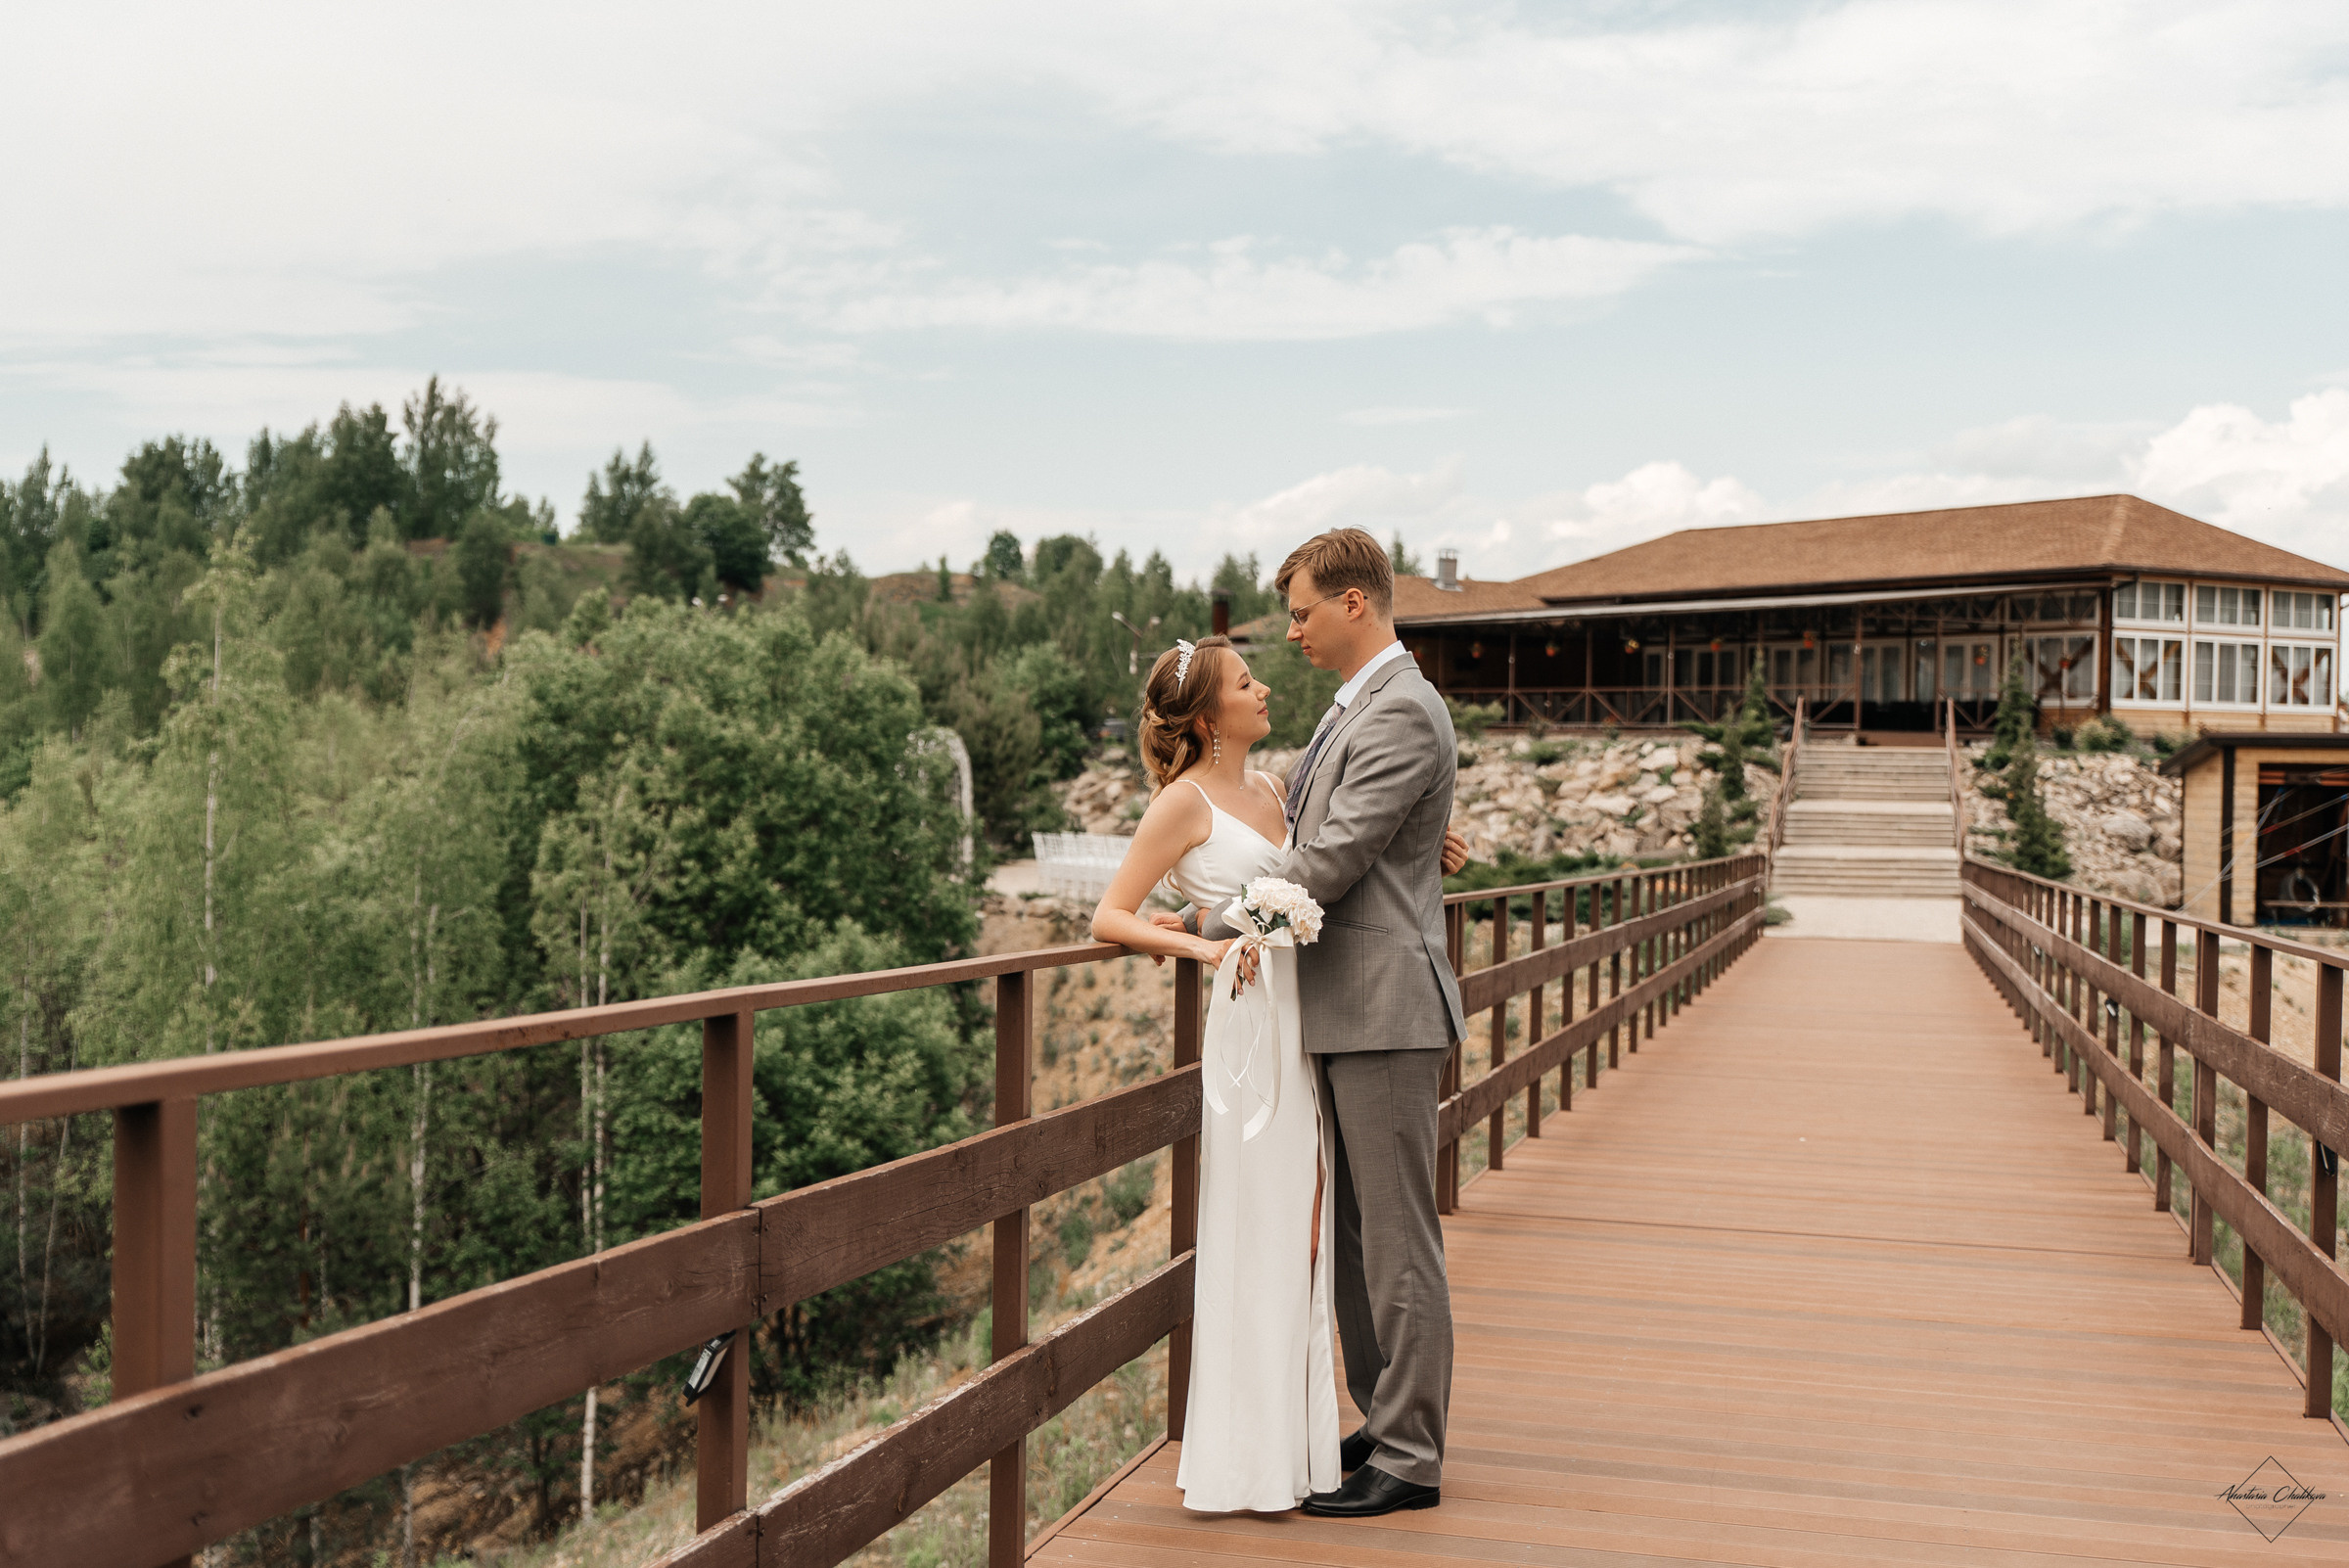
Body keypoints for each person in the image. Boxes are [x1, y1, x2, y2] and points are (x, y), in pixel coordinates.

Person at [1090, 629, 1467, 1515]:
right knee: (1265, 1222)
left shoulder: (1274, 784)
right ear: (1208, 714)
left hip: (1321, 1013)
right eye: (1245, 681)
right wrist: (1197, 942)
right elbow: (1113, 915)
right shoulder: (1180, 804)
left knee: (1326, 1229)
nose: (1265, 687)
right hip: (1258, 1026)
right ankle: (1254, 1450)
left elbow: (1340, 841)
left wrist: (1433, 836)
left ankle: (1324, 1437)